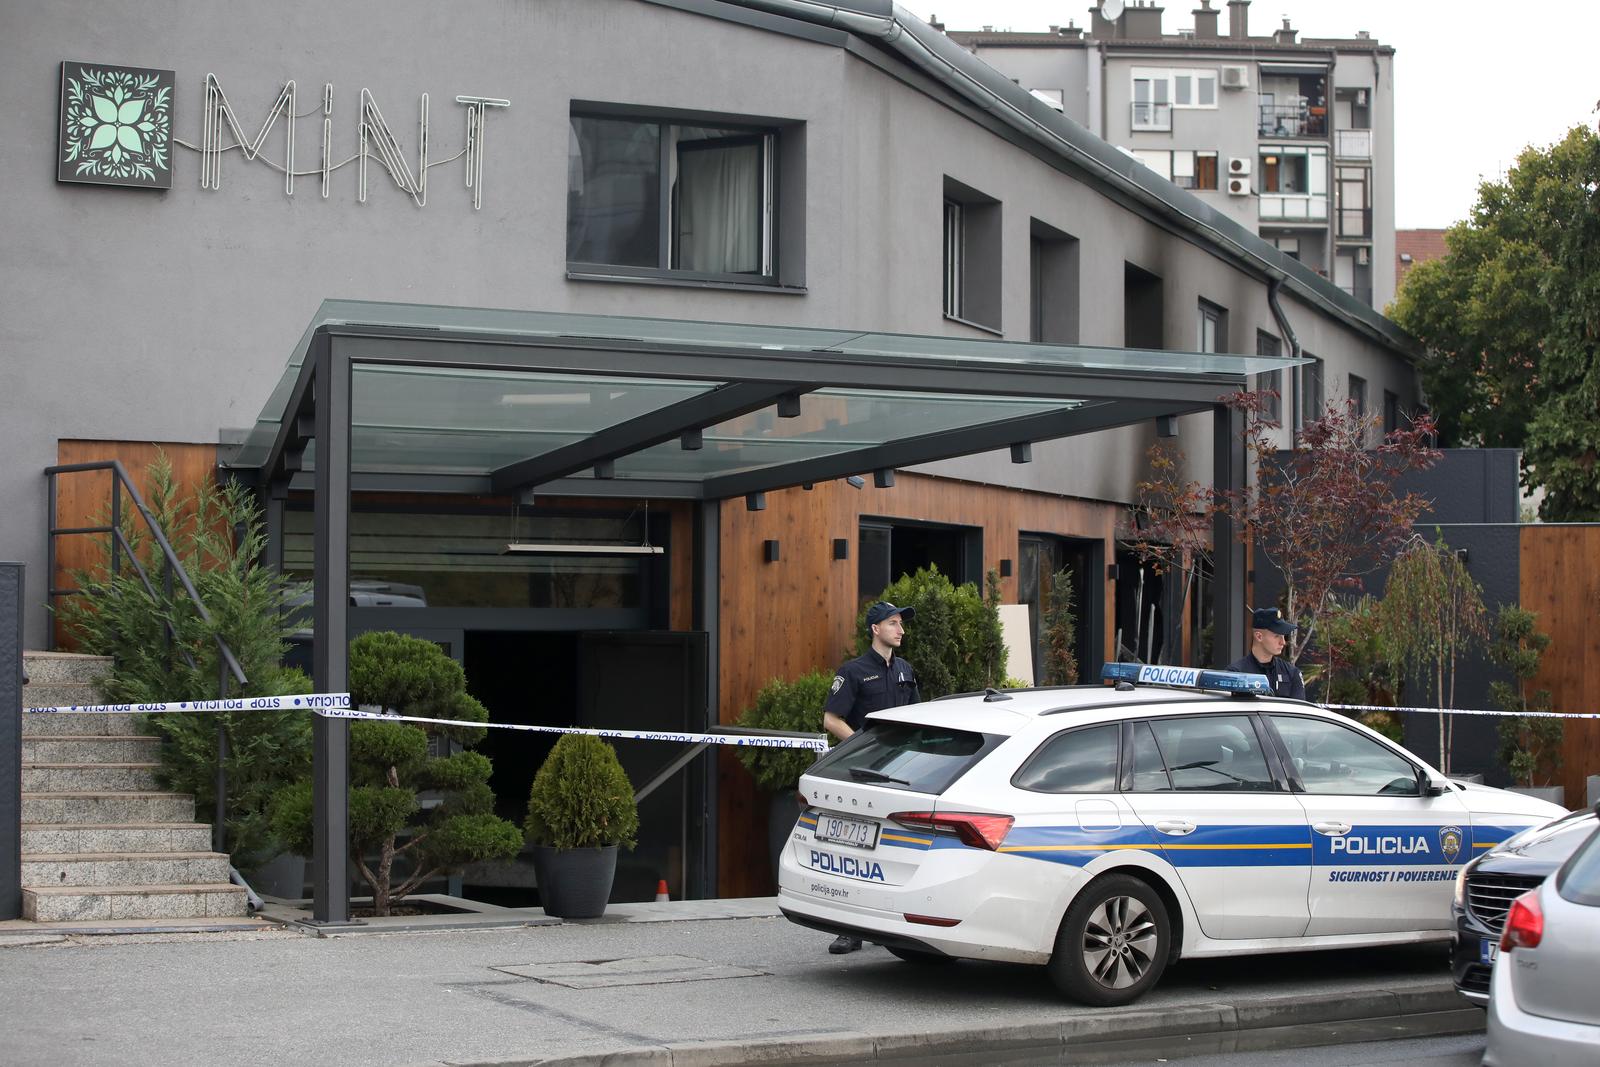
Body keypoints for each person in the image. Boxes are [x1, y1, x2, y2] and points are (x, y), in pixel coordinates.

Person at [818, 600, 921, 954]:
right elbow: (831, 719)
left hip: (901, 773)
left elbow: (919, 718)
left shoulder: (905, 669)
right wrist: (865, 748)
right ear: (875, 629)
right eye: (893, 623)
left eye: (901, 624)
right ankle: (848, 930)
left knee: (890, 850)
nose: (901, 630)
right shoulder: (854, 671)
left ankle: (883, 925)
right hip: (863, 772)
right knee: (853, 848)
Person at [1226, 607, 1306, 700]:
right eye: (1277, 636)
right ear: (1259, 636)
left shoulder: (1291, 673)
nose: (1283, 642)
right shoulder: (1236, 674)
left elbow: (1299, 707)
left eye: (1283, 636)